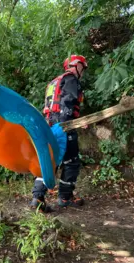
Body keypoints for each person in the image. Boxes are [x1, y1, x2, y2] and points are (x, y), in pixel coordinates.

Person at [30, 55, 88, 212]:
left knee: (49, 160)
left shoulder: (54, 82)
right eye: (83, 67)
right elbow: (67, 103)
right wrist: (70, 123)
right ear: (77, 65)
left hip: (49, 126)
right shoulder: (71, 80)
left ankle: (37, 198)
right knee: (72, 162)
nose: (83, 71)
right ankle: (65, 197)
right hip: (63, 126)